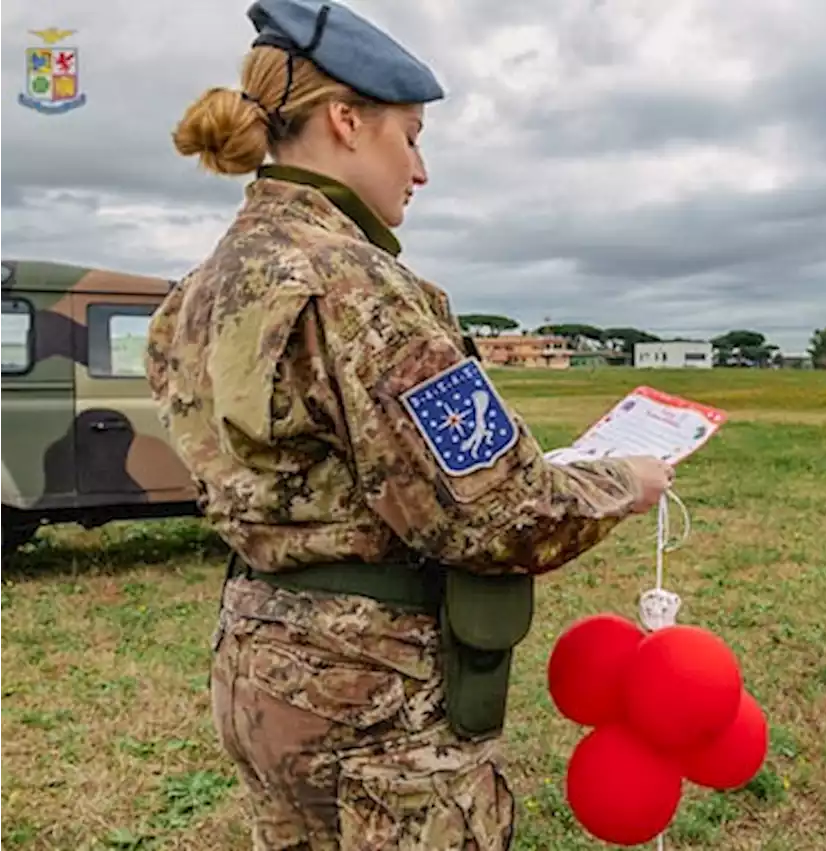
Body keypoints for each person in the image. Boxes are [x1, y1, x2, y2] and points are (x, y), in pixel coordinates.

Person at [145, 1, 673, 847]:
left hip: (260, 664)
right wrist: (623, 482)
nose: (421, 169)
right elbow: (494, 512)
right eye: (413, 135)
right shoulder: (356, 287)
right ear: (347, 120)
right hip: (374, 706)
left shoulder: (201, 288)